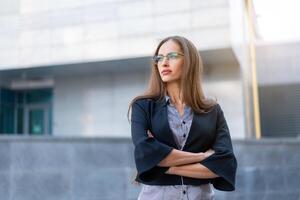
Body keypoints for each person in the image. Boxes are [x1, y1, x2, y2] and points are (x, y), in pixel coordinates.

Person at [127, 35, 237, 200]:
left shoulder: (212, 110)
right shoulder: (143, 106)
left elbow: (225, 163)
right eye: (159, 58)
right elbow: (145, 153)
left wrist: (161, 165)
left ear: (189, 61)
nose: (164, 63)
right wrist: (202, 156)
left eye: (171, 56)